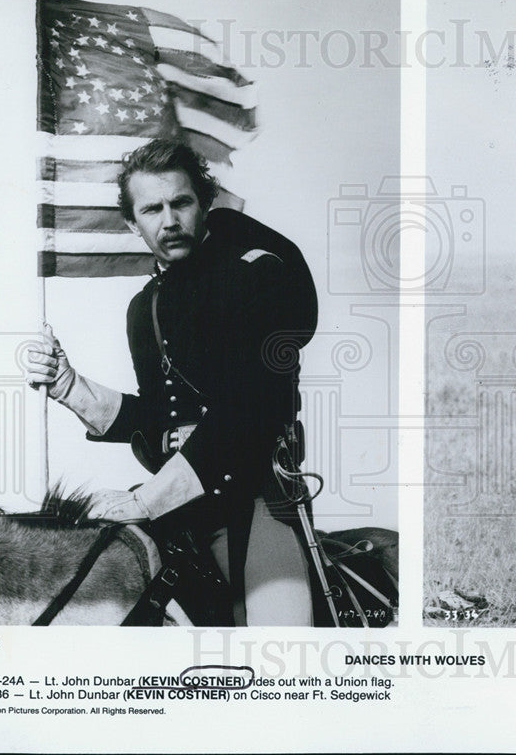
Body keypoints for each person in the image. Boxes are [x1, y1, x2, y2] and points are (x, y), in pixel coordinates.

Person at [27, 138, 318, 625]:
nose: (169, 220)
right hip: (176, 507)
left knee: (282, 649)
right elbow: (159, 416)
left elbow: (249, 412)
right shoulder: (145, 308)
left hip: (252, 498)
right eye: (152, 208)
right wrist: (70, 386)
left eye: (181, 202)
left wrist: (144, 499)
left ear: (205, 205)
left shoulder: (258, 275)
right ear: (132, 223)